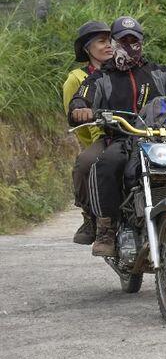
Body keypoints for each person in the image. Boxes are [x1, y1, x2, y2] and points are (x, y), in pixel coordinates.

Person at [68, 16, 166, 257]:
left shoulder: (160, 73)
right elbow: (82, 96)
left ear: (141, 43)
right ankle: (105, 228)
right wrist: (80, 108)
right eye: (123, 41)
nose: (129, 46)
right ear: (114, 42)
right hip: (124, 138)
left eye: (134, 41)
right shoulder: (101, 77)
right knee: (105, 163)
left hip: (163, 137)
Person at [63, 21, 113, 245]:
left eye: (110, 40)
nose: (109, 45)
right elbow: (76, 120)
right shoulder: (76, 79)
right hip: (101, 137)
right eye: (102, 41)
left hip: (131, 132)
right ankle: (90, 217)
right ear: (87, 48)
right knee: (84, 163)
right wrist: (95, 140)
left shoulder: (123, 71)